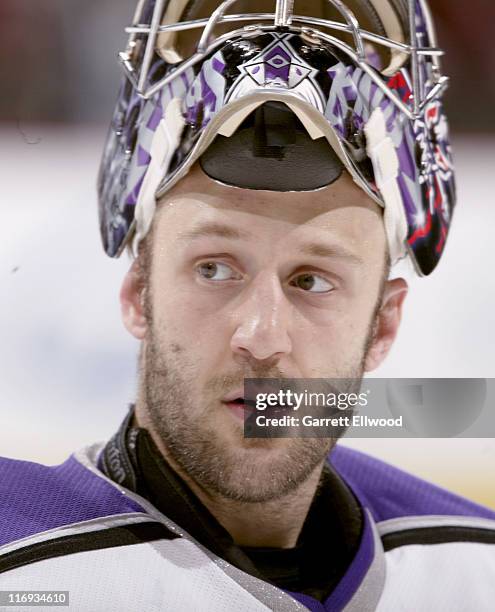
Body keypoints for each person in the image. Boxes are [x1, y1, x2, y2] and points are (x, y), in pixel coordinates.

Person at [1, 1, 494, 610]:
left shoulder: (476, 575)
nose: (261, 337)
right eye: (214, 269)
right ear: (137, 293)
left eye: (312, 281)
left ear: (383, 326)